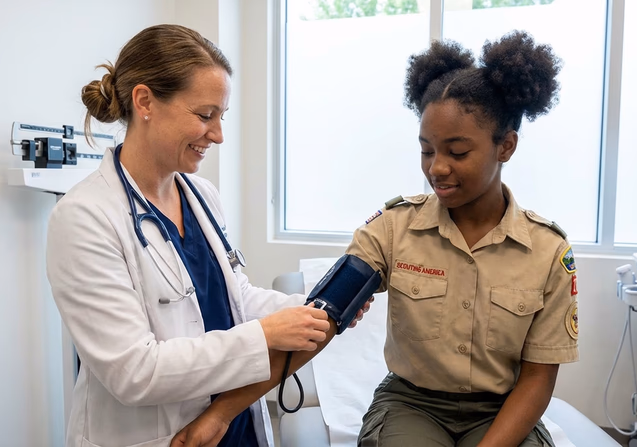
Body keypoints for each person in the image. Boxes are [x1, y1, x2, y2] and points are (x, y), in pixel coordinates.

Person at [46, 24, 351, 447]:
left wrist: (316, 307)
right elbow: (135, 372)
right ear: (145, 101)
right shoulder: (84, 217)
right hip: (164, 436)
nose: (219, 134)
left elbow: (233, 299)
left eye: (221, 117)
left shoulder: (201, 195)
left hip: (234, 425)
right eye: (205, 115)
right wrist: (267, 335)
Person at [347, 31, 579, 447]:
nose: (436, 168)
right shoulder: (392, 228)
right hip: (411, 404)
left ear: (505, 146)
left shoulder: (548, 252)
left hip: (501, 407)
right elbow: (326, 311)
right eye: (427, 150)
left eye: (456, 152)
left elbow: (539, 378)